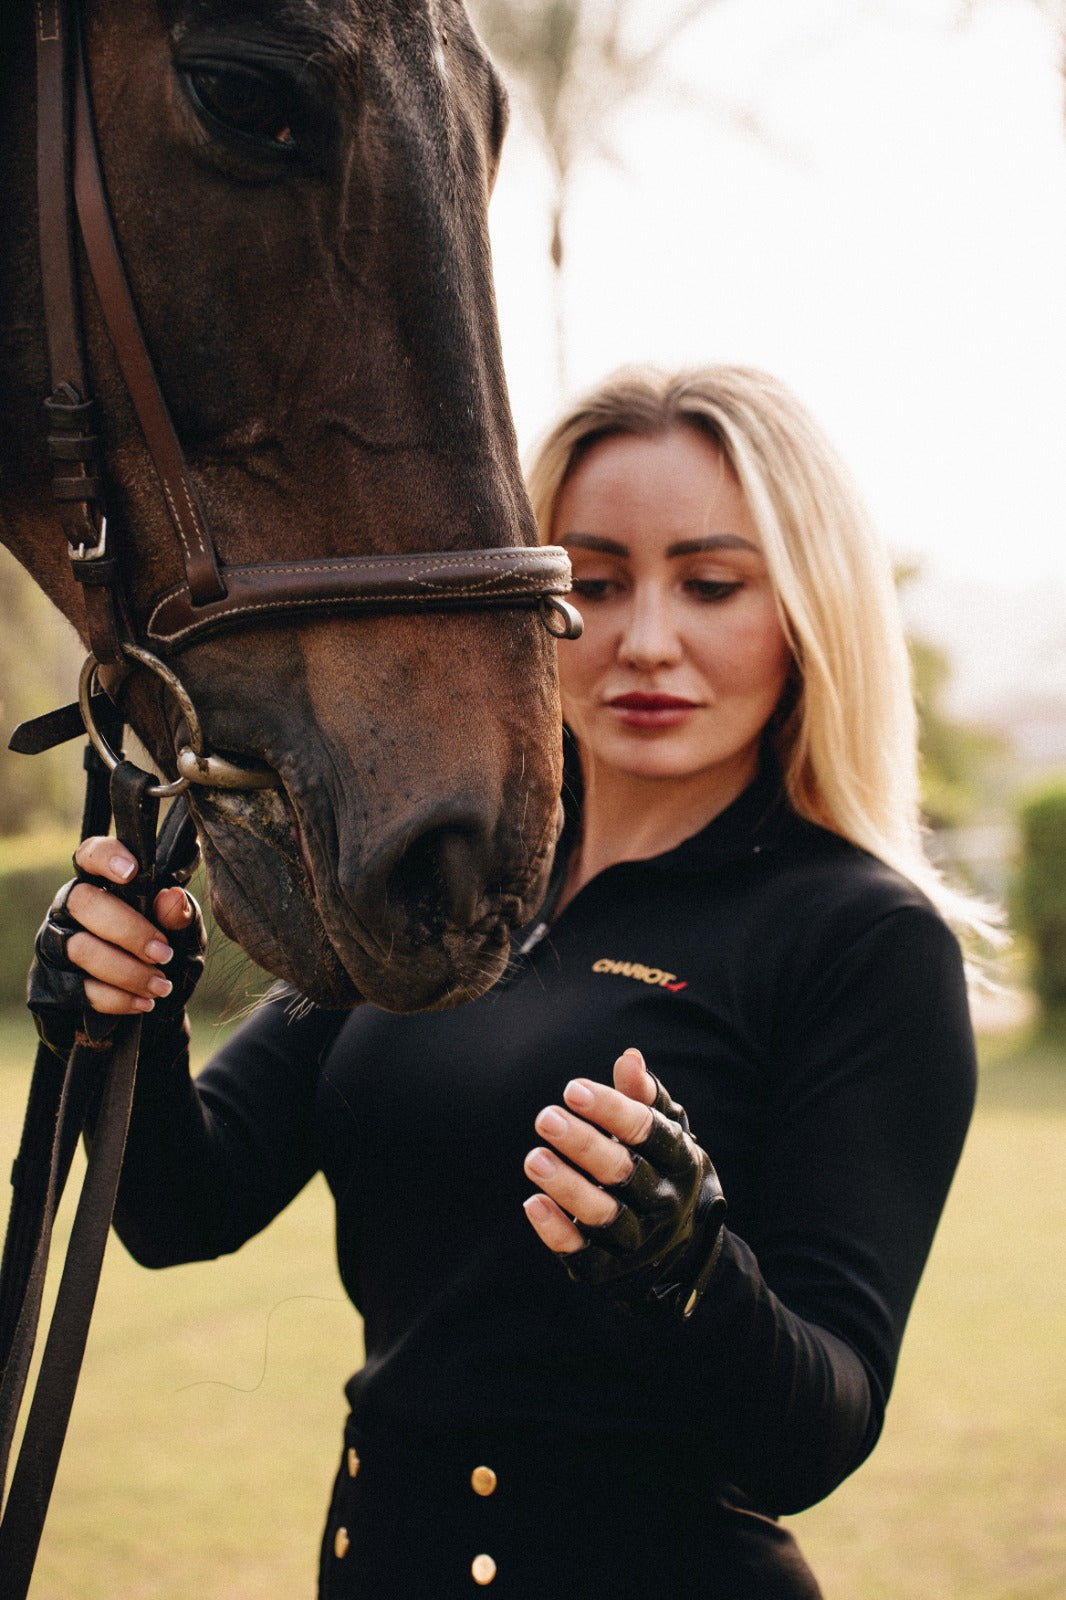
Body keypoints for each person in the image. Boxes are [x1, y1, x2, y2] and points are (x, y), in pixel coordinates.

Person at [28, 365, 984, 1599]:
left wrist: (683, 1267)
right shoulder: (432, 876)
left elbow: (813, 1435)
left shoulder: (864, 939)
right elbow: (181, 1206)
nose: (647, 640)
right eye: (591, 580)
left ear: (806, 610)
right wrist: (121, 1017)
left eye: (710, 583)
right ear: (530, 600)